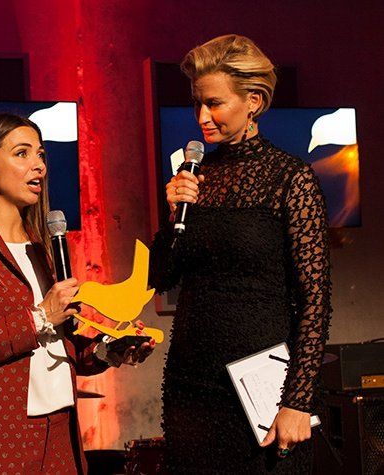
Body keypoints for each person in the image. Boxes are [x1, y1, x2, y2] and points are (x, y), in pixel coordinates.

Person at [0, 113, 154, 473]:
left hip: (60, 432)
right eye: (22, 154)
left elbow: (60, 347)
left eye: (42, 155)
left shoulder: (43, 248)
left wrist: (109, 350)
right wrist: (41, 316)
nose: (38, 166)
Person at [150, 34, 332, 473]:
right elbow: (163, 276)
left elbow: (315, 301)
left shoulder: (291, 179)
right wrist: (174, 213)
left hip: (263, 393)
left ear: (253, 101)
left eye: (214, 103)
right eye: (197, 104)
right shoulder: (195, 178)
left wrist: (297, 401)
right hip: (191, 386)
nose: (202, 117)